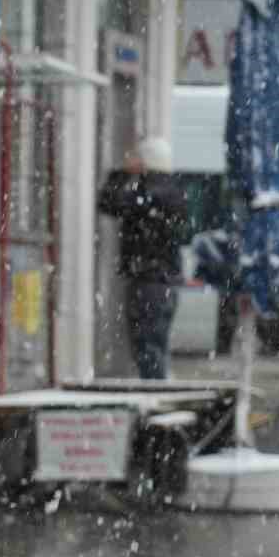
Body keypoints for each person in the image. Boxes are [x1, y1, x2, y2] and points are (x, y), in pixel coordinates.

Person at [98, 137, 188, 380]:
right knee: (156, 343)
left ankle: (154, 393)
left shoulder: (151, 192)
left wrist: (120, 175)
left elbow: (108, 203)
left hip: (150, 280)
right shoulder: (171, 190)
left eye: (136, 157)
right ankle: (156, 387)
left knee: (147, 345)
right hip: (163, 279)